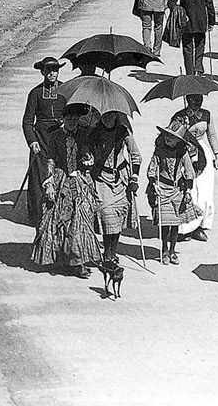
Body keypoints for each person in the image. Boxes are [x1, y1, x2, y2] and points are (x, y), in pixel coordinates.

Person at [31, 104, 102, 278]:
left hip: (79, 180)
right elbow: (50, 159)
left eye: (75, 118)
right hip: (61, 177)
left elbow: (89, 155)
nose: (72, 121)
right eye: (69, 118)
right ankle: (60, 259)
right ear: (63, 119)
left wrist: (88, 159)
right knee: (57, 218)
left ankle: (80, 262)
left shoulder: (84, 134)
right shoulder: (55, 136)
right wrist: (49, 182)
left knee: (82, 219)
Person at [90, 112, 141, 296]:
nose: (107, 119)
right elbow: (87, 150)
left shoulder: (123, 131)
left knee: (118, 215)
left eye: (111, 116)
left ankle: (112, 252)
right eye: (104, 116)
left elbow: (136, 155)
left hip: (120, 178)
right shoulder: (94, 132)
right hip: (102, 178)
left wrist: (135, 176)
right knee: (106, 213)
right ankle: (107, 254)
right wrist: (89, 158)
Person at [20, 57, 66, 228]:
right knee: (39, 177)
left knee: (61, 175)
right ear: (43, 72)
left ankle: (59, 214)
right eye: (49, 70)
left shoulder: (65, 90)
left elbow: (72, 114)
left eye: (55, 70)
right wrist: (32, 141)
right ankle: (38, 217)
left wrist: (65, 123)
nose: (52, 73)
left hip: (60, 139)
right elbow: (27, 122)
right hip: (40, 139)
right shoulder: (35, 93)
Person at [171, 95, 218, 241]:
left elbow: (212, 135)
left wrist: (217, 155)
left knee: (205, 191)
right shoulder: (179, 116)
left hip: (203, 154)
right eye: (193, 101)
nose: (197, 104)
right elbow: (170, 136)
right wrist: (183, 127)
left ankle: (200, 226)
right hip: (185, 154)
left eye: (199, 101)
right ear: (188, 100)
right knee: (189, 191)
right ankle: (185, 228)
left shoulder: (206, 114)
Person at [147, 123, 200, 265]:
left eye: (172, 137)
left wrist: (188, 190)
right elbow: (151, 170)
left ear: (179, 140)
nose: (168, 138)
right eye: (167, 135)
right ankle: (164, 250)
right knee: (165, 223)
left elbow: (190, 173)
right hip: (162, 189)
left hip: (178, 191)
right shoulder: (159, 151)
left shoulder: (182, 153)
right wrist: (154, 184)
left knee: (175, 224)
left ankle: (172, 251)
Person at [167, 0, 216, 75]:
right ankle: (198, 69)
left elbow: (171, 3)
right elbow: (210, 6)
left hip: (186, 23)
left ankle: (189, 72)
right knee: (200, 46)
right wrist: (212, 22)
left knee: (187, 48)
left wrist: (180, 11)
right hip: (201, 22)